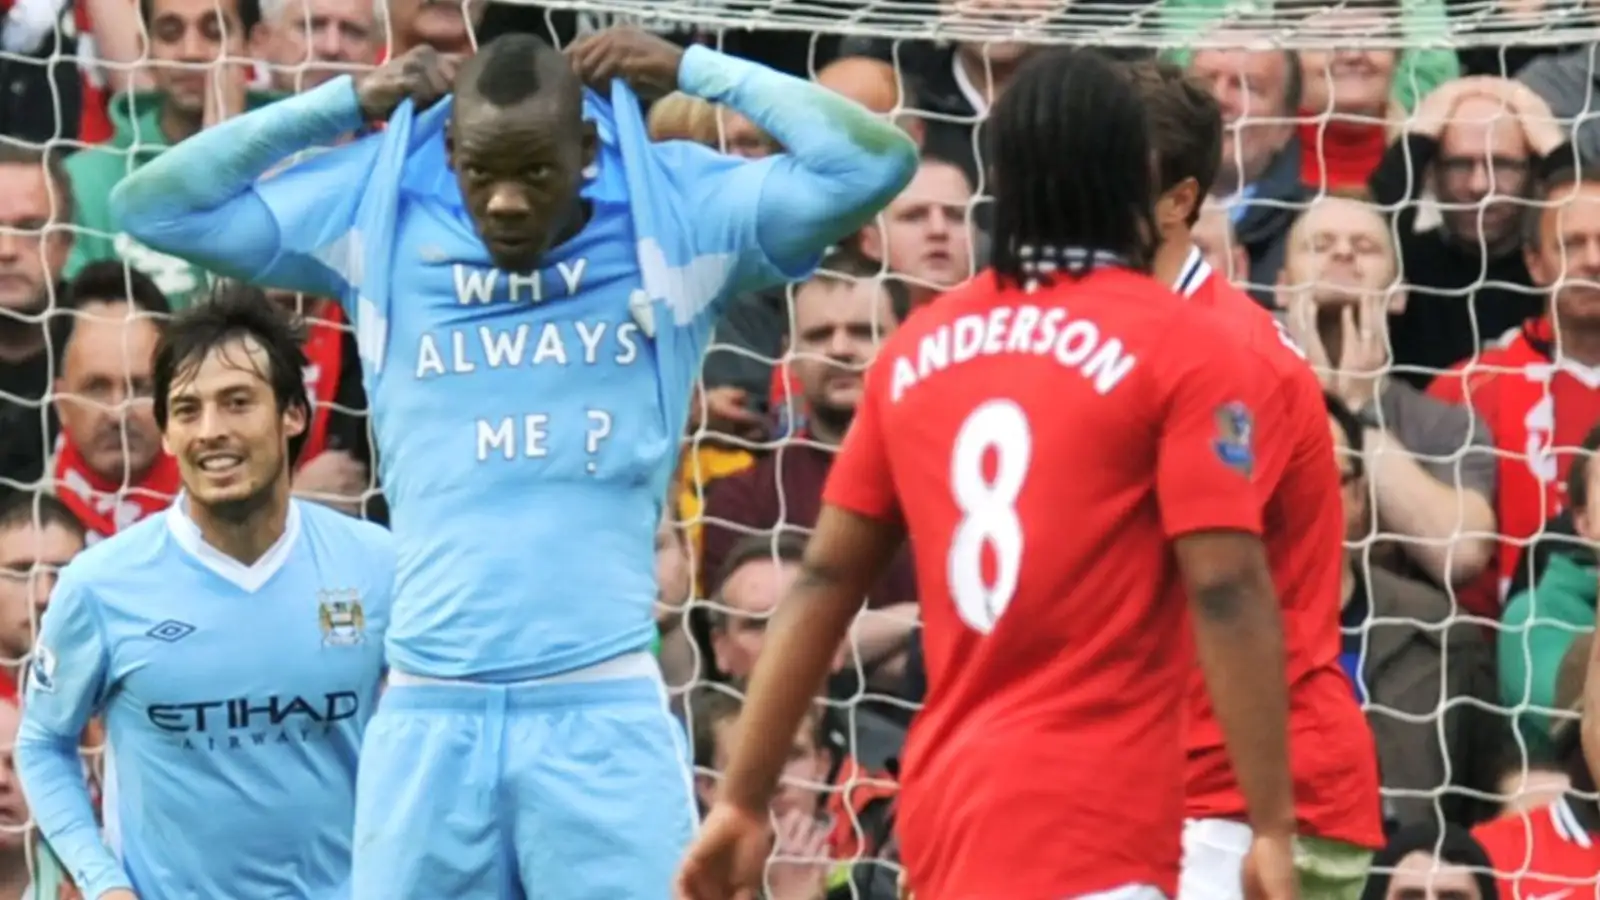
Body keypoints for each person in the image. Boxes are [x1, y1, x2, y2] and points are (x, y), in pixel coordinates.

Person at [107, 26, 917, 900]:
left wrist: (691, 71)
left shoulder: (674, 215)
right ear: (449, 148)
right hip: (426, 711)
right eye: (480, 172)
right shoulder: (379, 212)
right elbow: (156, 206)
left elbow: (871, 164)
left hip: (601, 709)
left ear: (589, 149)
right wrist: (348, 103)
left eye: (535, 172)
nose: (502, 203)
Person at [677, 47, 1298, 900]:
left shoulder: (919, 350)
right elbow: (1227, 589)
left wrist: (740, 803)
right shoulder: (1184, 345)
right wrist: (1270, 825)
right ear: (1134, 177)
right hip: (1096, 830)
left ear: (997, 179)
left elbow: (820, 581)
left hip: (945, 826)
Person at [13, 288, 394, 900]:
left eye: (237, 402)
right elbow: (42, 743)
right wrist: (103, 882)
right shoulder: (100, 585)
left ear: (293, 413)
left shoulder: (377, 565)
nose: (211, 431)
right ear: (166, 432)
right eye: (187, 410)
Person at [1126, 61, 1387, 900]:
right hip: (1176, 778)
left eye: (1095, 175)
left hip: (1251, 796)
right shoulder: (1135, 332)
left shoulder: (1229, 357)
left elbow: (1179, 573)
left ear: (1177, 202)